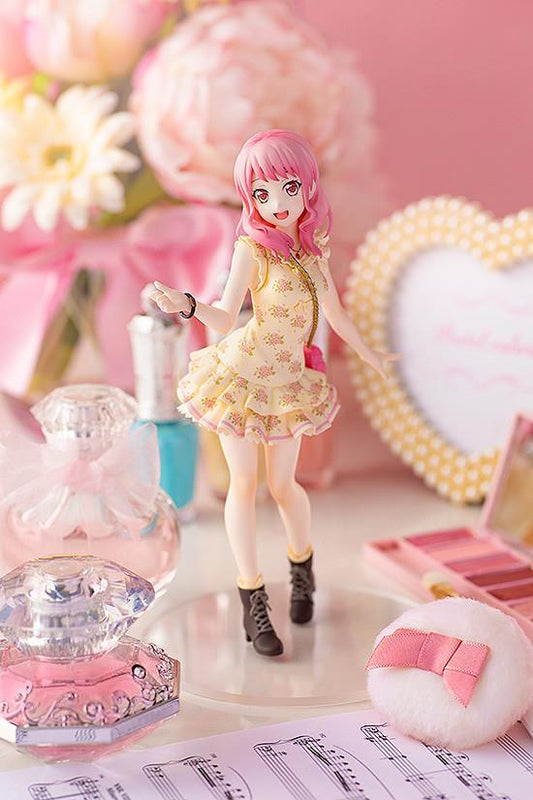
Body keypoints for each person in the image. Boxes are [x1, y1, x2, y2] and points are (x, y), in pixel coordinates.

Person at [151, 130, 397, 657]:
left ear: (307, 186)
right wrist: (187, 304)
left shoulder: (312, 253)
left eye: (288, 188)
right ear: (250, 199)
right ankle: (252, 597)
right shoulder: (251, 249)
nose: (277, 203)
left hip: (288, 381)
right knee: (244, 485)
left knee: (285, 486)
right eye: (261, 193)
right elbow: (225, 316)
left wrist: (370, 354)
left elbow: (335, 314)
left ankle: (302, 569)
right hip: (243, 376)